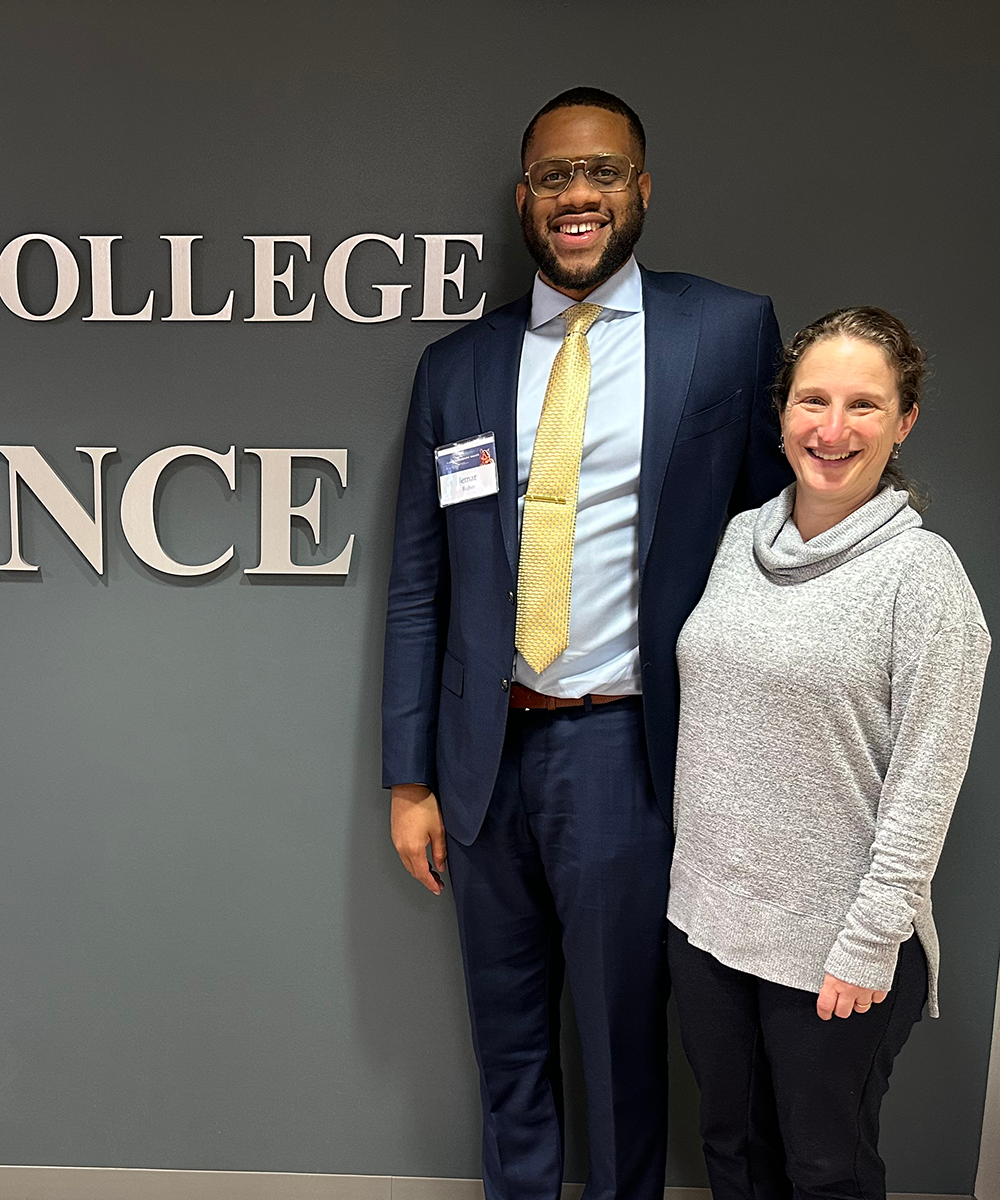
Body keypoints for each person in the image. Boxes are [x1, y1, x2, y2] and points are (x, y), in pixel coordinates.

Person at [381, 86, 792, 1200]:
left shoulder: (724, 332)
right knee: (506, 1048)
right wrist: (409, 777)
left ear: (640, 191)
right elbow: (420, 586)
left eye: (601, 172)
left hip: (629, 755)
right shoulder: (455, 369)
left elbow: (769, 546)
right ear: (525, 199)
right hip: (482, 762)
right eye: (555, 176)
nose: (578, 195)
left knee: (617, 1048)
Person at [667, 307, 989, 1199]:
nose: (833, 430)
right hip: (708, 925)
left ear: (905, 420)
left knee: (825, 1171)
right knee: (732, 1151)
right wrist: (688, 900)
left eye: (864, 405)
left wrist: (868, 941)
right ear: (782, 414)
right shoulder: (739, 542)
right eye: (814, 400)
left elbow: (927, 785)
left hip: (834, 949)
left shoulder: (924, 580)